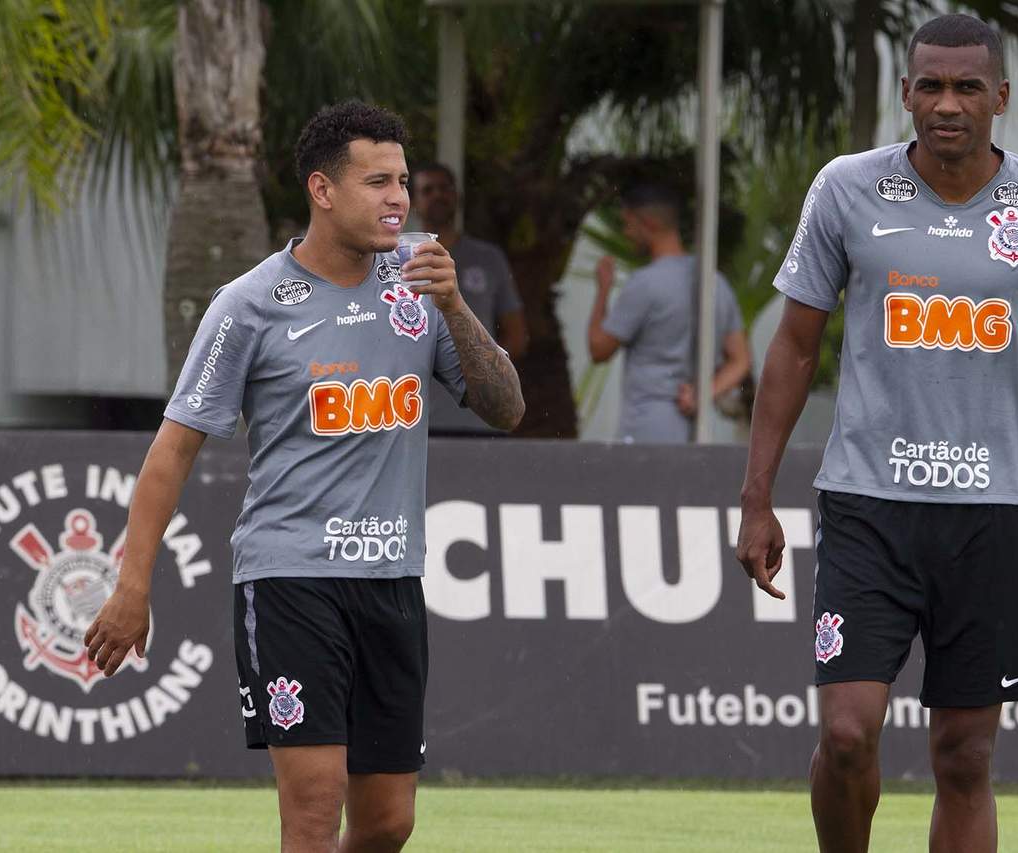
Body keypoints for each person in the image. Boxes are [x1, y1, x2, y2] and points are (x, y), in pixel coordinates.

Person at [735, 15, 1018, 853]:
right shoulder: (846, 187)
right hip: (864, 507)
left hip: (987, 515)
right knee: (847, 734)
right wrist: (756, 494)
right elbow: (794, 342)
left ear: (1000, 96)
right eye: (929, 86)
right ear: (906, 93)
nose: (946, 104)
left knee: (965, 754)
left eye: (965, 88)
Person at [83, 101, 523, 852]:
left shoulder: (419, 284)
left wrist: (454, 307)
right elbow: (172, 449)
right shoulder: (248, 304)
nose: (399, 198)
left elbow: (506, 407)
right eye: (377, 181)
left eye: (403, 181)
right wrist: (132, 583)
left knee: (388, 823)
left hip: (393, 579)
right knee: (314, 813)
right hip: (290, 581)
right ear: (323, 190)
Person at [588, 184, 752, 443]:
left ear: (648, 223)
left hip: (645, 427)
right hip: (695, 430)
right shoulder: (714, 282)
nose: (625, 233)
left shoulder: (645, 283)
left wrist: (603, 289)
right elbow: (741, 359)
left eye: (628, 224)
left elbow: (599, 349)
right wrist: (704, 393)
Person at [412, 163, 527, 435]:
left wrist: (481, 369)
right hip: (419, 419)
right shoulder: (398, 261)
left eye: (445, 188)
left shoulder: (488, 258)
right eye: (428, 190)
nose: (438, 195)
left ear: (458, 196)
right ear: (413, 202)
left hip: (481, 419)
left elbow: (517, 335)